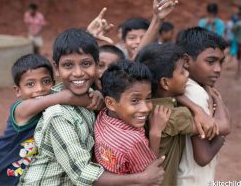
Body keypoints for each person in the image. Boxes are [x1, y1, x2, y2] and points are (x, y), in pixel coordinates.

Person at [18, 28, 165, 186]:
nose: (78, 72)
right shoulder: (58, 116)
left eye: (86, 64)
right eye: (68, 65)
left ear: (97, 65)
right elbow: (83, 175)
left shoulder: (92, 96)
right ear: (56, 68)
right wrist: (140, 179)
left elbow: (128, 76)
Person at [0, 54, 103, 186]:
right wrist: (96, 97)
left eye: (46, 81)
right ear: (18, 91)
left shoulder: (52, 109)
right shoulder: (22, 109)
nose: (40, 89)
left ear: (53, 84)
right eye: (30, 84)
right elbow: (67, 96)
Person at [135, 43, 219, 186]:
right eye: (182, 72)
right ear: (165, 83)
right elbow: (219, 126)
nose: (187, 74)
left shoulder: (150, 106)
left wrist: (196, 108)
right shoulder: (173, 115)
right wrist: (214, 100)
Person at [94, 59, 171, 174]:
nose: (145, 108)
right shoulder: (133, 142)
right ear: (110, 103)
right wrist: (155, 134)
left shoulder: (103, 114)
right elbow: (150, 177)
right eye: (135, 100)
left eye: (148, 98)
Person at [176, 27, 231, 186]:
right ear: (186, 61)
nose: (218, 69)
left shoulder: (186, 87)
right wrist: (221, 137)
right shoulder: (195, 93)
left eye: (221, 62)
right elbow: (203, 157)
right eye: (210, 61)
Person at [232, 7, 241, 78]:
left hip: (239, 44)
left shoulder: (238, 24)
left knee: (239, 59)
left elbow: (233, 31)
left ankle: (237, 73)